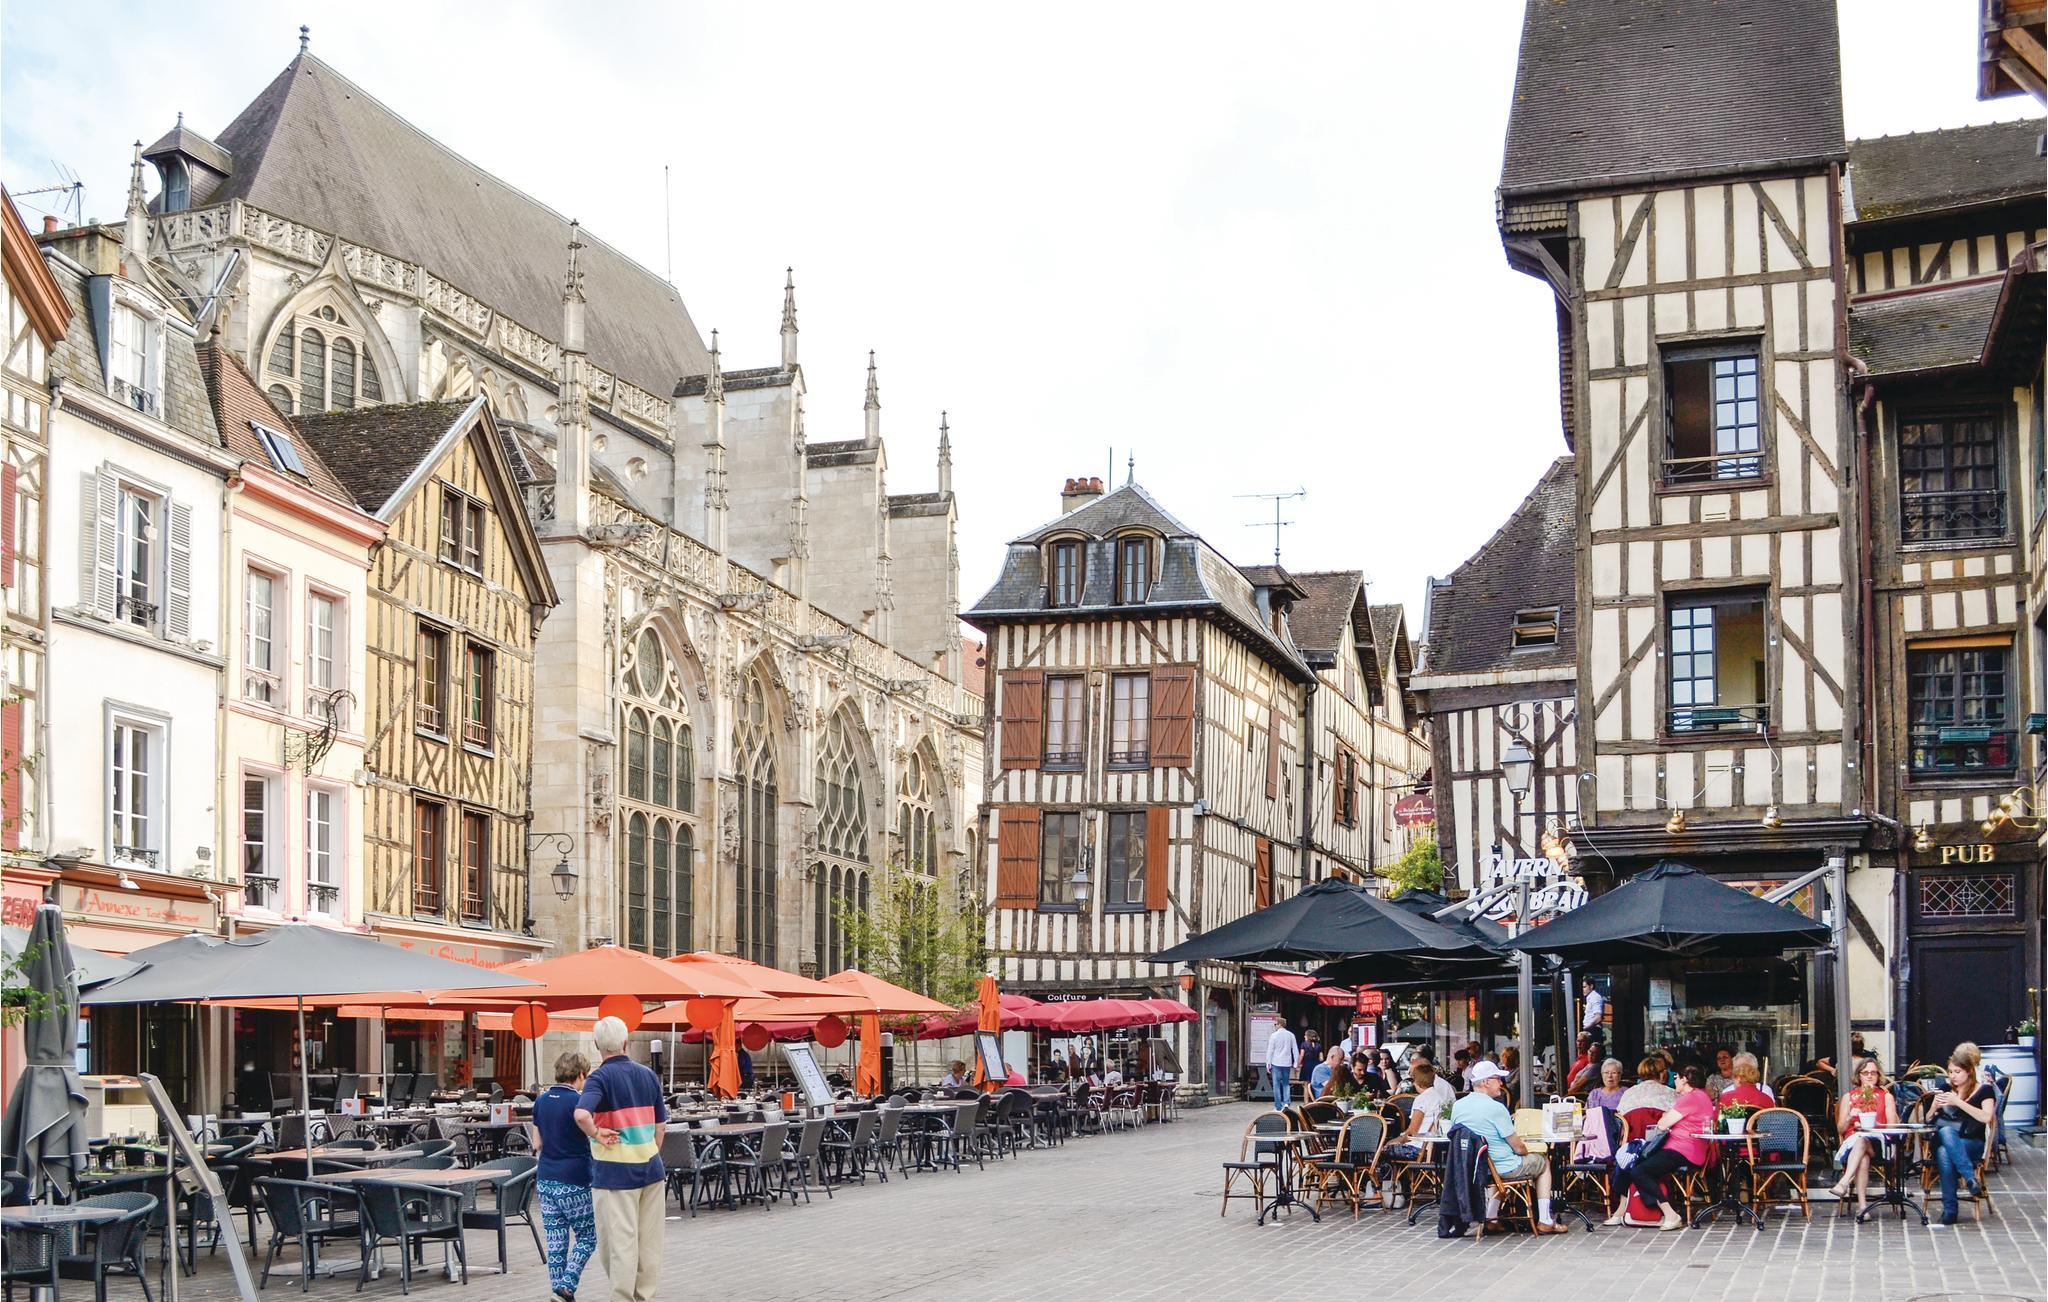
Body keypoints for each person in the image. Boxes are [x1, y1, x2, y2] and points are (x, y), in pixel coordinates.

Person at [575, 1016, 667, 1302]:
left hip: (615, 1173)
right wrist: (649, 1151)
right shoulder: (648, 1075)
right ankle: (644, 1297)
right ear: (626, 1042)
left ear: (597, 1045)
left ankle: (623, 1298)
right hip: (651, 1168)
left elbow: (581, 1114)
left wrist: (595, 1133)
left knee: (619, 1242)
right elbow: (661, 1126)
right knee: (649, 1243)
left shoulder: (599, 1078)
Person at [1448, 1061, 1564, 1233]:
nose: (1501, 1083)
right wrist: (1529, 1149)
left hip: (1475, 1167)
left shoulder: (1458, 1106)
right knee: (1543, 1161)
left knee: (1495, 1162)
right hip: (1503, 1167)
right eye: (1497, 1079)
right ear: (1486, 1082)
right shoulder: (1496, 1108)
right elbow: (1518, 1148)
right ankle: (1545, 1220)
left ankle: (1492, 1217)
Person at [1607, 1064, 1714, 1231]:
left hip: (1681, 1150)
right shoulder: (1702, 1096)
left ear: (1685, 1080)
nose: (1674, 1080)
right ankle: (1622, 1210)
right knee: (1631, 1161)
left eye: (1676, 1077)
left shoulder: (1689, 1098)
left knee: (1638, 1170)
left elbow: (1663, 1124)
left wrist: (1666, 1117)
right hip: (1691, 1150)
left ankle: (1670, 1214)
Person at [532, 1052, 596, 1302]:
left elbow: (537, 1144)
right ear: (580, 1074)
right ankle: (567, 1285)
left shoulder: (541, 1100)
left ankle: (558, 1293)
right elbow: (592, 1137)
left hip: (545, 1178)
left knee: (556, 1242)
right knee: (587, 1236)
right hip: (574, 1178)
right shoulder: (579, 1103)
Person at [1928, 1043, 1997, 1226]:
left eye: (1957, 1072)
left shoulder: (1985, 1090)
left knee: (1944, 1152)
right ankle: (1970, 1178)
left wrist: (1958, 1102)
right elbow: (1926, 1120)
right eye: (1950, 1072)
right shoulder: (1945, 1088)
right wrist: (1934, 1106)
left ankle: (1950, 1211)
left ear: (1969, 1072)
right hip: (1943, 1139)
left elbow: (1986, 1117)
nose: (1953, 1076)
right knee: (1946, 1132)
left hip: (1971, 1142)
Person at [1829, 1056, 1899, 1215]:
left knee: (1863, 1140)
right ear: (1858, 1075)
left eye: (1873, 1073)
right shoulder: (1849, 1097)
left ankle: (1844, 1182)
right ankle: (1862, 1207)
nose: (1869, 1076)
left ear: (1878, 1076)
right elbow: (1840, 1129)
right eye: (1865, 1073)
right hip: (1854, 1147)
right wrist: (1850, 1117)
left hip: (1880, 1145)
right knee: (1863, 1156)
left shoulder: (1886, 1096)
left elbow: (1892, 1127)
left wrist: (1874, 1124)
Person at [1266, 1019, 1301, 1107]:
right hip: (1287, 1062)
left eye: (1275, 1024)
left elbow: (1270, 1050)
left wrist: (1268, 1063)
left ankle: (1278, 1106)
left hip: (1276, 1062)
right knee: (1286, 1083)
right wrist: (1295, 1062)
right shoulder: (1291, 1035)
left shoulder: (1274, 1035)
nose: (1275, 1026)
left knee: (1276, 1084)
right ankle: (1286, 1102)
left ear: (1279, 1024)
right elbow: (1295, 1049)